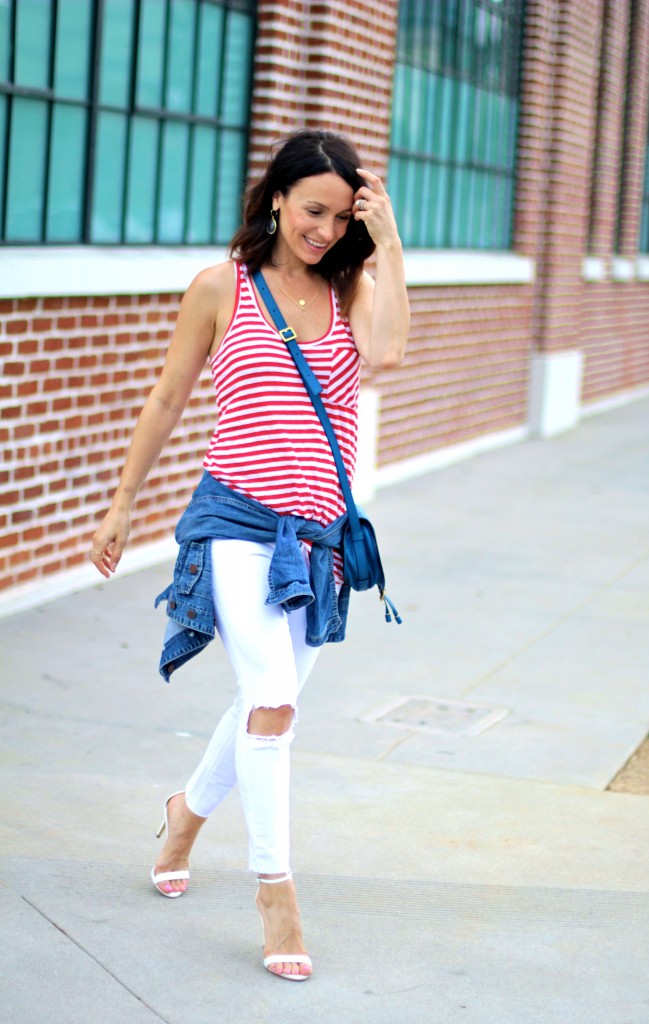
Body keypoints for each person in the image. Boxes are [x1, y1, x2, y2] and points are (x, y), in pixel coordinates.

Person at [89, 128, 409, 981]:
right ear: (275, 198)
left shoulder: (356, 287)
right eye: (313, 211)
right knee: (270, 700)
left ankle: (184, 815)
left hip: (319, 536)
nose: (324, 230)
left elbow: (387, 353)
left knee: (268, 704)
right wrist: (120, 505)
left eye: (342, 218)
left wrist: (390, 247)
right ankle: (276, 894)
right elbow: (165, 398)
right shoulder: (219, 287)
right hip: (234, 524)